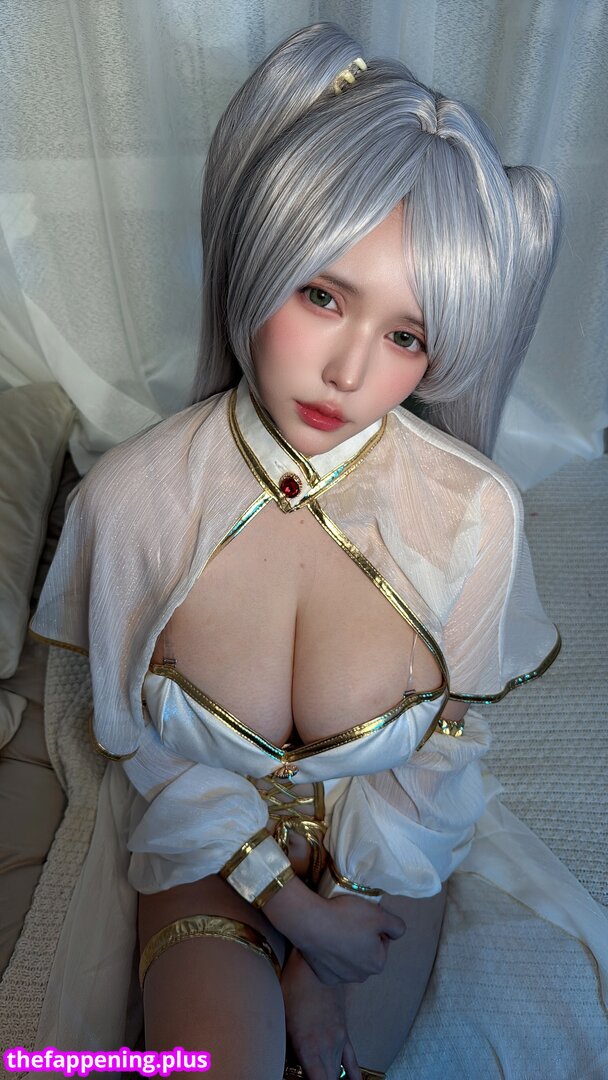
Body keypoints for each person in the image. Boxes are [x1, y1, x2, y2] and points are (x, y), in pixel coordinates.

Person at [31, 21, 606, 1080]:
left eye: (405, 335)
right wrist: (292, 909)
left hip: (390, 854)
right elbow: (147, 747)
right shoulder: (131, 502)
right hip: (205, 845)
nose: (347, 372)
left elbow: (440, 752)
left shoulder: (473, 513)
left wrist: (332, 948)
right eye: (322, 295)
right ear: (259, 259)